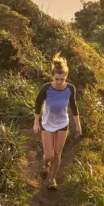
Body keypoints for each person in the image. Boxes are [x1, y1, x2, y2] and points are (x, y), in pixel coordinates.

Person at [33, 52, 81, 190]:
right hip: (47, 124)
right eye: (57, 79)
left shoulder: (70, 89)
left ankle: (52, 179)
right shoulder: (46, 88)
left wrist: (78, 125)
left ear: (66, 77)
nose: (59, 82)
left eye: (62, 79)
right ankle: (45, 166)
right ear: (52, 77)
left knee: (57, 153)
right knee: (48, 155)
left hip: (62, 123)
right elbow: (37, 103)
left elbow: (73, 106)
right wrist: (36, 123)